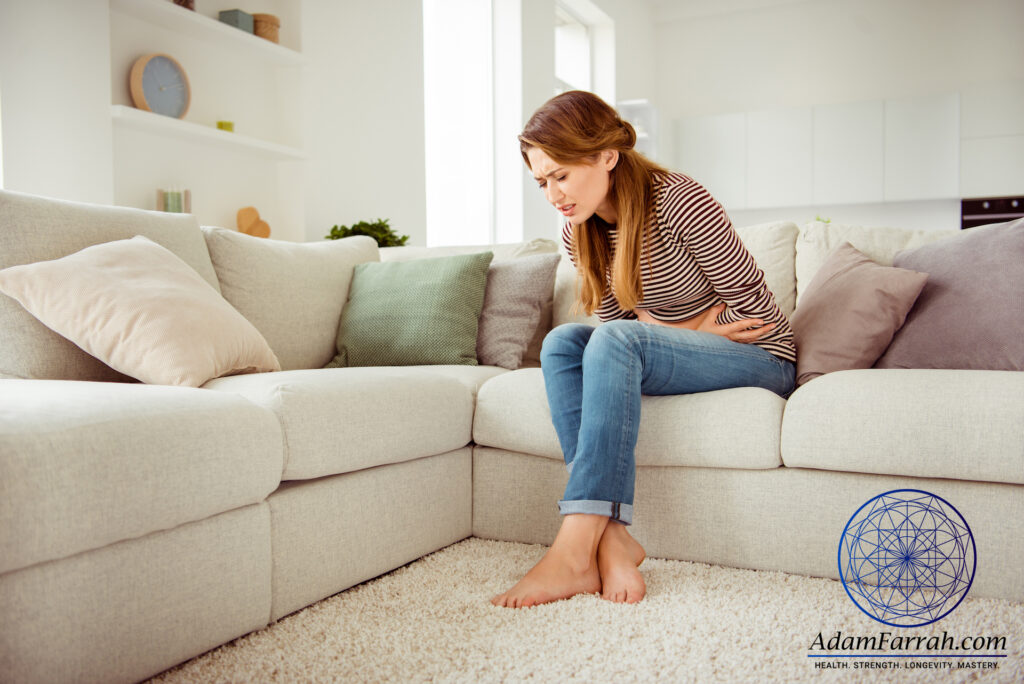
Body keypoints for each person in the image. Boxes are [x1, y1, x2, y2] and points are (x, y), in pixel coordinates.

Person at [490, 91, 796, 609]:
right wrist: (697, 325)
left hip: (763, 357)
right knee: (564, 342)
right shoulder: (578, 231)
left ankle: (573, 550)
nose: (552, 194)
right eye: (542, 181)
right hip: (688, 348)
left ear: (606, 156)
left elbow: (755, 311)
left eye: (561, 175)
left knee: (611, 341)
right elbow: (620, 328)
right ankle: (611, 541)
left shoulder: (679, 201)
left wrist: (676, 327)